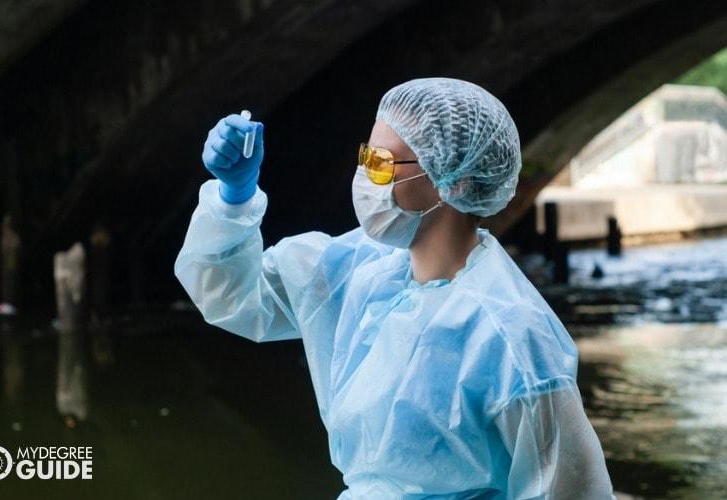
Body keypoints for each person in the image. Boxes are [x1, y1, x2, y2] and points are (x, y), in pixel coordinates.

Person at [174, 77, 616, 499]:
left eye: (382, 164)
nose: (366, 177)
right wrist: (235, 196)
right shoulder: (359, 269)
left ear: (454, 181)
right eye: (366, 157)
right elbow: (236, 295)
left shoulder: (511, 338)